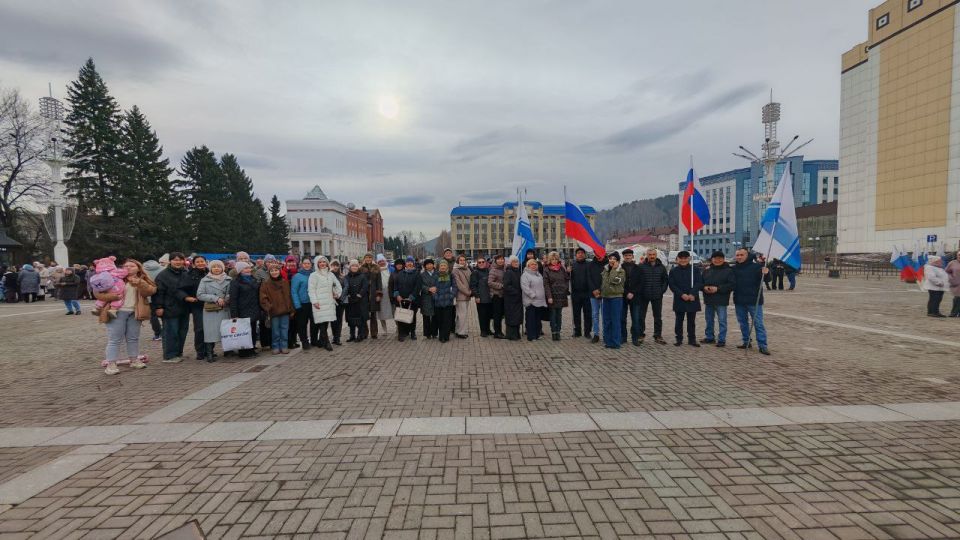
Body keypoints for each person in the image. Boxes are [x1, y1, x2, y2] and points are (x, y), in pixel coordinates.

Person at [96, 259, 157, 375]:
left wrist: (139, 283)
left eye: (131, 266)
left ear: (138, 268)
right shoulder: (112, 277)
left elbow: (151, 291)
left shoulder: (143, 279)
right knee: (115, 339)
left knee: (133, 338)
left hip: (135, 312)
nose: (128, 268)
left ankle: (134, 359)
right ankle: (111, 364)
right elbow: (98, 292)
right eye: (125, 266)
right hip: (116, 312)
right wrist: (113, 296)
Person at [153, 252, 191, 363]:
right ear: (170, 261)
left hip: (184, 307)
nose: (178, 262)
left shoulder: (185, 272)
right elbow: (159, 292)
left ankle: (178, 353)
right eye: (175, 260)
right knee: (170, 332)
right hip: (169, 307)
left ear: (184, 261)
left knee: (182, 331)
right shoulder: (163, 275)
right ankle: (169, 355)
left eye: (180, 260)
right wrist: (159, 307)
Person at [732, 248, 771, 355]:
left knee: (758, 323)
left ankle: (763, 345)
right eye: (737, 255)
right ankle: (746, 341)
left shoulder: (757, 267)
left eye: (741, 255)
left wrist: (766, 273)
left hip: (754, 300)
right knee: (743, 323)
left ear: (747, 255)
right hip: (739, 300)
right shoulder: (734, 268)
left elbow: (767, 279)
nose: (739, 257)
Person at [195, 259, 232, 361]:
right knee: (210, 332)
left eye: (219, 266)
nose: (216, 268)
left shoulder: (229, 279)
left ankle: (228, 350)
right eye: (214, 267)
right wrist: (216, 298)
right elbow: (200, 294)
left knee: (225, 330)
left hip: (224, 308)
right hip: (211, 310)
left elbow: (231, 292)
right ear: (210, 268)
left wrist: (226, 299)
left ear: (222, 268)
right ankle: (209, 353)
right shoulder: (205, 280)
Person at [668, 251, 704, 347]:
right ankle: (679, 338)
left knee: (691, 321)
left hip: (692, 298)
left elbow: (699, 282)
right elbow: (672, 285)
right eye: (681, 258)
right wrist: (681, 294)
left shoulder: (695, 270)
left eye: (685, 258)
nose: (683, 260)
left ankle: (692, 339)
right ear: (677, 259)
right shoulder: (673, 271)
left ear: (689, 259)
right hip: (680, 298)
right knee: (679, 320)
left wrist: (692, 294)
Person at [701, 251, 736, 347]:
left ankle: (721, 339)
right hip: (709, 299)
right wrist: (704, 288)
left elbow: (732, 285)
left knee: (722, 320)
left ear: (723, 259)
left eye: (720, 258)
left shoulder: (728, 271)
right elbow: (701, 283)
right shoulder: (706, 270)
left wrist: (718, 289)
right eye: (715, 258)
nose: (717, 260)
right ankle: (709, 337)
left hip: (721, 300)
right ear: (712, 259)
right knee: (709, 320)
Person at [308, 256, 342, 351]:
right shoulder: (313, 275)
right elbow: (311, 290)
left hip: (329, 302)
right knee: (322, 323)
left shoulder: (330, 274)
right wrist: (314, 301)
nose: (322, 264)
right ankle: (326, 342)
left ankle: (322, 341)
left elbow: (337, 285)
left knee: (326, 323)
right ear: (317, 264)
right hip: (320, 303)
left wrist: (337, 294)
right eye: (320, 262)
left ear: (327, 263)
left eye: (324, 262)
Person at [259, 262, 294, 354]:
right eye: (272, 271)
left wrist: (291, 308)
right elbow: (263, 298)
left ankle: (284, 346)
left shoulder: (285, 282)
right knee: (275, 331)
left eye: (276, 270)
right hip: (273, 311)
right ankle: (275, 346)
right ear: (269, 272)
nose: (274, 272)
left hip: (285, 310)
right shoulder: (266, 283)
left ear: (279, 271)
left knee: (284, 329)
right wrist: (269, 307)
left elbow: (289, 296)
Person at [636, 248, 669, 345]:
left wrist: (661, 291)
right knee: (641, 316)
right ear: (647, 255)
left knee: (658, 316)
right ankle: (640, 335)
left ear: (656, 255)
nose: (652, 256)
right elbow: (637, 280)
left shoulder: (661, 267)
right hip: (643, 295)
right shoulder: (641, 266)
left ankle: (658, 335)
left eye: (653, 254)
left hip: (657, 295)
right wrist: (640, 291)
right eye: (650, 254)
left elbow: (665, 280)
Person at [228, 261, 261, 358]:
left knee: (253, 330)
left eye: (249, 268)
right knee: (244, 332)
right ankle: (244, 352)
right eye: (245, 268)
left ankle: (251, 348)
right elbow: (233, 299)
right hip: (242, 310)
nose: (248, 270)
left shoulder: (253, 279)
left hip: (254, 308)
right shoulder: (235, 282)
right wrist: (234, 314)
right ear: (239, 271)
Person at [183, 255, 209, 360]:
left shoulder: (210, 273)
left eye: (202, 261)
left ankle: (209, 350)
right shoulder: (189, 275)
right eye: (198, 262)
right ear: (193, 264)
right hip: (197, 305)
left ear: (205, 262)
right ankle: (200, 351)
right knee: (199, 328)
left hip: (210, 304)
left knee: (209, 329)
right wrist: (187, 297)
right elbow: (183, 288)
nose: (200, 263)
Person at [391, 256, 421, 342]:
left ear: (413, 263)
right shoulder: (400, 273)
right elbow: (395, 286)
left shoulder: (417, 274)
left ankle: (412, 332)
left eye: (411, 262)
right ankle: (402, 333)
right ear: (406, 264)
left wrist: (411, 297)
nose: (409, 263)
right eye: (408, 262)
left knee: (412, 316)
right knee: (401, 317)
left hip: (412, 300)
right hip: (400, 300)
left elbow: (417, 287)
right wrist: (397, 295)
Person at [600, 252, 626, 348]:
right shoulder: (605, 270)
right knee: (606, 320)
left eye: (614, 258)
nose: (611, 260)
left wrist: (614, 269)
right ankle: (608, 342)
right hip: (606, 297)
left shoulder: (621, 271)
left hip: (616, 298)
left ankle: (616, 342)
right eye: (610, 258)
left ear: (618, 261)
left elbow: (613, 281)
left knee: (615, 321)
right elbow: (603, 282)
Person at [542, 251, 569, 341]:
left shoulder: (562, 268)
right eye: (552, 259)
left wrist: (568, 273)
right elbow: (546, 284)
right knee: (553, 315)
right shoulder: (546, 269)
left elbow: (566, 279)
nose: (554, 261)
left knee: (559, 315)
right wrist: (549, 296)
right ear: (550, 260)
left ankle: (558, 331)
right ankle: (554, 332)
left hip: (561, 295)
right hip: (552, 295)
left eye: (556, 259)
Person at [290, 256, 316, 350]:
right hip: (302, 304)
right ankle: (304, 341)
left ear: (311, 264)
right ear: (301, 264)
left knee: (314, 323)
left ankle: (314, 340)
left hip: (313, 303)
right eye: (305, 263)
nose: (307, 265)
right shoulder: (297, 276)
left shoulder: (314, 274)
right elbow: (294, 291)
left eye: (308, 263)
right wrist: (297, 305)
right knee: (302, 324)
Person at [343, 259, 370, 342]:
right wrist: (348, 295)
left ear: (358, 267)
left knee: (360, 320)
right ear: (350, 267)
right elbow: (345, 287)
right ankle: (352, 335)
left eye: (356, 266)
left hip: (360, 301)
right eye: (352, 266)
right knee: (351, 320)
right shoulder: (346, 277)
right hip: (350, 301)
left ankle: (360, 335)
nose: (354, 267)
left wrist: (359, 295)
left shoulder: (362, 276)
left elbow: (365, 287)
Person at [520, 258, 547, 341]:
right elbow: (525, 287)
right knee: (531, 319)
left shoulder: (539, 274)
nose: (534, 266)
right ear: (528, 266)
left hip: (540, 300)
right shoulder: (525, 275)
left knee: (537, 319)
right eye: (532, 264)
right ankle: (531, 336)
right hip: (531, 301)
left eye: (535, 264)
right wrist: (532, 295)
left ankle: (537, 334)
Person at [569, 248, 593, 339]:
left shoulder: (589, 264)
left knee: (588, 314)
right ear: (576, 255)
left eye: (582, 253)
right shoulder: (572, 265)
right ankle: (577, 331)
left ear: (585, 254)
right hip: (576, 293)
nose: (580, 254)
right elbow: (567, 278)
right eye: (578, 253)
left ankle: (587, 332)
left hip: (587, 293)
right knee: (576, 314)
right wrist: (568, 272)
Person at [433, 260, 458, 342]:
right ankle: (441, 336)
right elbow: (433, 288)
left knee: (447, 320)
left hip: (448, 302)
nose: (443, 267)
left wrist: (451, 296)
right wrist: (436, 297)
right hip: (438, 302)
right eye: (441, 266)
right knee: (440, 320)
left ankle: (446, 336)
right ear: (439, 267)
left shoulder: (451, 275)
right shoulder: (435, 275)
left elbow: (454, 287)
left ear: (447, 267)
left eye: (444, 266)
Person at [620, 249, 640, 344]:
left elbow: (641, 282)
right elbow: (619, 283)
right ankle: (623, 337)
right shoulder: (619, 268)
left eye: (629, 255)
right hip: (623, 296)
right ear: (623, 257)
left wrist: (632, 292)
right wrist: (626, 293)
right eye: (626, 255)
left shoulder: (638, 268)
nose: (628, 257)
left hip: (635, 297)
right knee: (622, 318)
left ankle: (635, 338)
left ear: (632, 256)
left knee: (635, 319)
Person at [360, 253, 382, 339]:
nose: (368, 259)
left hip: (373, 294)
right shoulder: (361, 268)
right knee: (364, 314)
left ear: (372, 258)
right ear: (364, 258)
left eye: (369, 257)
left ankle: (374, 333)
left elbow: (379, 282)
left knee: (373, 314)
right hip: (364, 294)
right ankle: (365, 332)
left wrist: (378, 294)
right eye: (366, 257)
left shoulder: (376, 268)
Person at [469, 256, 493, 337]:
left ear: (486, 263)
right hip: (480, 297)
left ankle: (488, 329)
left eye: (483, 262)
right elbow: (473, 286)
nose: (481, 263)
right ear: (477, 264)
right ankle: (483, 331)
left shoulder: (489, 271)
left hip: (489, 297)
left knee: (488, 314)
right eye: (479, 262)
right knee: (482, 315)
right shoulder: (475, 273)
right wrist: (477, 296)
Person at [502, 255, 524, 340]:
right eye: (514, 262)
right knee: (512, 317)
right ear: (510, 263)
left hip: (517, 298)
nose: (516, 263)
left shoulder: (518, 271)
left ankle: (516, 334)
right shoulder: (509, 272)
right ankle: (511, 335)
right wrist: (516, 292)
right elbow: (506, 286)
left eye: (517, 262)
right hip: (511, 299)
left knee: (517, 317)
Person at [143, 258, 164, 340]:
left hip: (149, 296)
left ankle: (157, 334)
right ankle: (165, 332)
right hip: (161, 295)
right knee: (164, 315)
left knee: (153, 316)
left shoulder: (142, 270)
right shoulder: (162, 269)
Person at [452, 255, 472, 338]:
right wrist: (468, 292)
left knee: (461, 314)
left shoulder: (468, 269)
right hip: (460, 296)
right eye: (461, 260)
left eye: (464, 260)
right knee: (462, 315)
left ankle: (458, 330)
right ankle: (461, 332)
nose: (462, 261)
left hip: (467, 295)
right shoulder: (455, 270)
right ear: (458, 261)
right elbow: (458, 284)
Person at [587, 253, 605, 343]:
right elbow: (588, 278)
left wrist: (601, 290)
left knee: (604, 314)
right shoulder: (590, 264)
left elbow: (608, 278)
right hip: (593, 293)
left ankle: (605, 334)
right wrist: (594, 290)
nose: (599, 255)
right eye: (597, 253)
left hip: (605, 293)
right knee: (595, 315)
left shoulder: (608, 264)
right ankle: (596, 334)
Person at [419, 258, 439, 339]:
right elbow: (420, 285)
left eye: (431, 264)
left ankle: (434, 333)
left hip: (436, 296)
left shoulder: (438, 273)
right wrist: (428, 289)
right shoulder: (422, 275)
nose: (429, 266)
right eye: (427, 264)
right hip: (426, 297)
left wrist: (436, 288)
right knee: (426, 316)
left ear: (433, 265)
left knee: (435, 315)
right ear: (425, 266)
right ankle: (427, 333)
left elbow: (441, 283)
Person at [487, 254, 506, 338]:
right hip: (496, 295)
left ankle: (499, 331)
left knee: (501, 315)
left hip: (503, 295)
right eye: (499, 259)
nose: (501, 261)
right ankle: (497, 332)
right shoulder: (493, 270)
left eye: (502, 259)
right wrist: (501, 285)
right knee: (497, 315)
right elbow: (490, 283)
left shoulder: (504, 269)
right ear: (495, 261)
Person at [376, 255, 393, 335]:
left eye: (382, 261)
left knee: (393, 310)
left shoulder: (391, 268)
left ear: (385, 261)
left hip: (390, 292)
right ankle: (384, 330)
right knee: (381, 312)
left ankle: (398, 328)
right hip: (381, 293)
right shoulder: (376, 270)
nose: (382, 262)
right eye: (379, 261)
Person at [329, 260, 346, 345]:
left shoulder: (342, 277)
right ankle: (334, 337)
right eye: (333, 265)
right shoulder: (328, 276)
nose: (335, 267)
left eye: (337, 265)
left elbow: (345, 289)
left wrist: (340, 296)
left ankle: (337, 337)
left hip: (340, 301)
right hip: (331, 301)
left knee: (339, 320)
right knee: (332, 320)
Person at [946, 251, 960, 317]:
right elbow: (947, 272)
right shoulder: (952, 263)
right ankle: (953, 313)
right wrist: (951, 278)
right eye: (959, 255)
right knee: (956, 299)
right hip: (956, 284)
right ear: (957, 255)